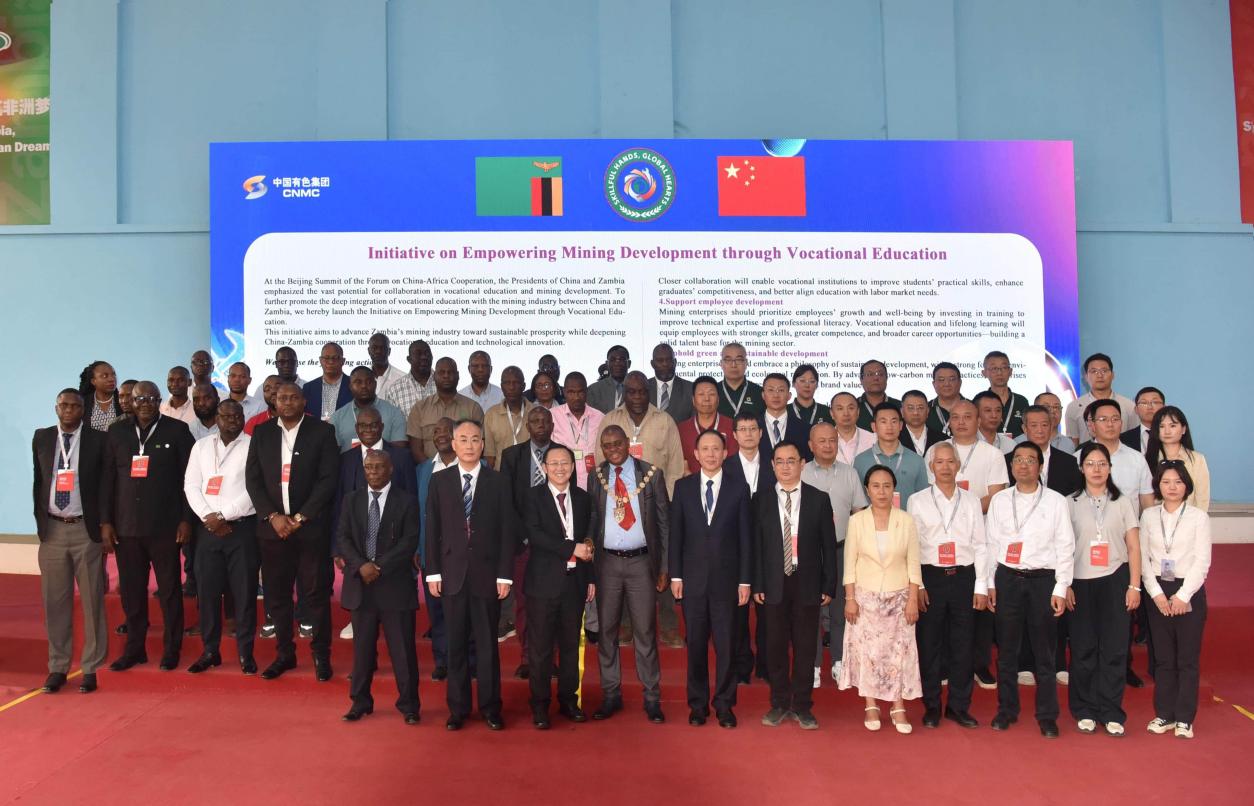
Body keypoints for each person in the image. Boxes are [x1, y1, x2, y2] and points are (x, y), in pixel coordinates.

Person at [244, 382, 341, 681]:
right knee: (277, 595)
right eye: (281, 397)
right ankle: (284, 654)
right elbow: (253, 479)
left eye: (293, 397)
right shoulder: (262, 433)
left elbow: (328, 479)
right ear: (274, 401)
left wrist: (300, 517)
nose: (287, 402)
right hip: (273, 531)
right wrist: (272, 516)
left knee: (316, 594)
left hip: (310, 530)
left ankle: (321, 655)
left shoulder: (322, 432)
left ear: (303, 401)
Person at [425, 420, 516, 731]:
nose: (469, 445)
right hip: (452, 575)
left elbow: (507, 531)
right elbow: (433, 528)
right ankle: (458, 708)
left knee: (488, 645)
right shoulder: (439, 481)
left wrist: (504, 575)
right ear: (453, 444)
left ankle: (491, 707)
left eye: (475, 439)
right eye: (462, 439)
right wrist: (433, 572)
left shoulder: (498, 482)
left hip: (487, 576)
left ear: (483, 444)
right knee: (456, 645)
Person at [100, 381, 195, 672]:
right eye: (140, 399)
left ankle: (171, 649)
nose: (145, 404)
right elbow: (107, 480)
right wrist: (106, 522)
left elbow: (190, 480)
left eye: (152, 399)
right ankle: (135, 649)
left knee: (169, 591)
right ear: (131, 401)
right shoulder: (117, 432)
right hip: (126, 527)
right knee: (132, 592)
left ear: (159, 401)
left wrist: (186, 519)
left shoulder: (177, 431)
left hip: (165, 527)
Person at [986, 443, 1076, 738]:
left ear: (1040, 466)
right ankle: (1006, 710)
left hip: (1043, 581)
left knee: (1045, 653)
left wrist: (1061, 586)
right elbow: (991, 544)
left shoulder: (1055, 501)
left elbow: (1065, 545)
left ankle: (1047, 715)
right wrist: (989, 583)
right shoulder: (1000, 500)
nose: (1023, 465)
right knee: (1007, 651)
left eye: (1030, 460)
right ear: (1011, 466)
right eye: (1018, 460)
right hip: (1008, 579)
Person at [595, 371, 687, 647]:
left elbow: (675, 466)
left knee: (660, 561)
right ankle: (625, 625)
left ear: (649, 392)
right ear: (624, 392)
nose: (636, 396)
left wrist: (667, 504)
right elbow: (601, 461)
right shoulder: (610, 420)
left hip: (657, 503)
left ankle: (668, 625)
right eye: (631, 391)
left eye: (642, 391)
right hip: (619, 503)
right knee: (624, 560)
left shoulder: (664, 420)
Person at [670, 429, 752, 728]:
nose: (711, 454)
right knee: (695, 646)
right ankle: (697, 705)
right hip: (692, 582)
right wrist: (676, 575)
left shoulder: (739, 488)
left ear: (725, 452)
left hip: (727, 583)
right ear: (695, 454)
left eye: (716, 448)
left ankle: (725, 705)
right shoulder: (682, 487)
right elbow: (676, 536)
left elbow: (746, 539)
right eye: (705, 449)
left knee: (726, 645)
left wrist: (745, 581)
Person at [588, 425, 670, 724]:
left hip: (641, 564)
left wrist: (664, 567)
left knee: (645, 632)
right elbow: (593, 517)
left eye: (617, 443)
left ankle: (652, 698)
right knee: (607, 632)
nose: (613, 449)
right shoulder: (596, 476)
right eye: (606, 445)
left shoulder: (651, 474)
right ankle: (611, 694)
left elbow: (664, 524)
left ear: (628, 443)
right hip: (607, 564)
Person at [753, 441, 837, 730]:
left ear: (802, 464)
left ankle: (802, 705)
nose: (786, 466)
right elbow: (756, 546)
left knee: (805, 647)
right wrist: (758, 582)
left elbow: (828, 546)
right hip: (773, 582)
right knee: (775, 646)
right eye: (780, 461)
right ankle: (779, 703)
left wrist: (828, 584)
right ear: (772, 465)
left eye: (791, 460)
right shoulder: (761, 499)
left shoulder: (819, 499)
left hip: (807, 581)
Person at [337, 449, 422, 725]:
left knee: (403, 651)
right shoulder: (351, 500)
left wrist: (379, 566)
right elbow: (343, 538)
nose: (373, 472)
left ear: (390, 469)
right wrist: (362, 565)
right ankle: (360, 702)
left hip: (395, 586)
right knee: (362, 652)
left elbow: (409, 541)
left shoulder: (406, 501)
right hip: (361, 586)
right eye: (368, 467)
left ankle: (409, 705)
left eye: (378, 467)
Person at [907, 442, 987, 729]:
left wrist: (981, 586)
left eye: (950, 461)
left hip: (964, 577)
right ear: (931, 467)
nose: (945, 467)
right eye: (939, 462)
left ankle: (958, 706)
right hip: (931, 578)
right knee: (929, 644)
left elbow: (981, 544)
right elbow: (912, 546)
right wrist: (917, 585)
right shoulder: (917, 500)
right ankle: (931, 706)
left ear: (958, 465)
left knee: (963, 644)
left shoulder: (972, 501)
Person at [33, 389, 108, 694]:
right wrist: (40, 523)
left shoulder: (98, 440)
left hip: (84, 530)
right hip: (52, 530)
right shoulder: (42, 437)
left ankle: (91, 668)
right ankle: (58, 666)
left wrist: (104, 525)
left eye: (74, 406)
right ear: (56, 408)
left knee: (92, 601)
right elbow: (39, 482)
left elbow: (105, 486)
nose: (68, 410)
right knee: (55, 602)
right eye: (63, 405)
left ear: (83, 410)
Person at [1065, 442, 1141, 736]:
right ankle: (1084, 709)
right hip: (1080, 582)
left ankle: (1111, 711)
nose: (1096, 469)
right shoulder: (1069, 502)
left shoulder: (1122, 502)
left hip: (1115, 579)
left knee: (1114, 648)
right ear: (1081, 468)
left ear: (1110, 468)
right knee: (1083, 648)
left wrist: (1134, 586)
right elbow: (1063, 548)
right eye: (1090, 464)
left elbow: (1134, 547)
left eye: (1102, 464)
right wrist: (1065, 584)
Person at [840, 465, 923, 734]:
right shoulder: (857, 521)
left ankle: (898, 706)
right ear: (867, 490)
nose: (882, 491)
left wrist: (913, 599)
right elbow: (850, 563)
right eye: (876, 486)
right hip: (865, 598)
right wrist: (850, 598)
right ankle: (871, 704)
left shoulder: (906, 520)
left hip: (899, 598)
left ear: (894, 489)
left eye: (887, 485)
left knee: (899, 653)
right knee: (869, 653)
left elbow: (913, 564)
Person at [182, 399, 259, 675]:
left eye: (237, 416)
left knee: (244, 593)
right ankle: (210, 651)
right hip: (208, 530)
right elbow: (191, 486)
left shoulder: (253, 445)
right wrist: (209, 517)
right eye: (226, 416)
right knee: (208, 593)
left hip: (242, 529)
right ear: (217, 418)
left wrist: (224, 515)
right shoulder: (201, 447)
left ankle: (245, 653)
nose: (232, 420)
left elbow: (254, 489)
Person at [523, 444, 595, 728]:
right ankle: (540, 706)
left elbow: (588, 539)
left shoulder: (583, 498)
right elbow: (535, 535)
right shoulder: (532, 497)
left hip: (575, 583)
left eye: (565, 463)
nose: (560, 468)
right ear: (544, 468)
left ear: (573, 466)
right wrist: (570, 548)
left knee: (569, 647)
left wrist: (590, 577)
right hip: (543, 584)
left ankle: (568, 701)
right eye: (553, 463)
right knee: (540, 649)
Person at [1140, 461, 1211, 739]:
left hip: (1188, 590)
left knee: (1187, 659)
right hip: (1157, 589)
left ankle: (1184, 718)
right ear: (1158, 485)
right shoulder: (1148, 516)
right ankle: (1164, 715)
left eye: (1178, 482)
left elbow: (1202, 562)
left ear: (1187, 486)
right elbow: (1143, 559)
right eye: (1166, 481)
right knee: (1164, 658)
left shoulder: (1198, 517)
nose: (1172, 487)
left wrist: (1182, 596)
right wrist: (1156, 594)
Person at [802, 422, 868, 686]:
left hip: (842, 549)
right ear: (811, 445)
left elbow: (860, 513)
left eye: (832, 440)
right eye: (822, 441)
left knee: (841, 610)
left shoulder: (850, 473)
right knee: (811, 612)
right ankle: (814, 664)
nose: (828, 445)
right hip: (810, 553)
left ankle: (840, 662)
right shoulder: (802, 473)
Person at [499, 406, 558, 678]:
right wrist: (523, 535)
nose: (540, 425)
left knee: (553, 603)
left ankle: (550, 658)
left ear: (552, 425)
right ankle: (526, 658)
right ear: (527, 426)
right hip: (522, 543)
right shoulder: (512, 456)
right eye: (535, 421)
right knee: (524, 603)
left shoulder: (562, 454)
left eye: (545, 421)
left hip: (555, 545)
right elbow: (505, 502)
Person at [723, 412, 776, 682]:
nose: (748, 434)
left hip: (769, 549)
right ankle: (742, 667)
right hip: (735, 549)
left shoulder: (774, 465)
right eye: (742, 429)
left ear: (761, 433)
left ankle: (766, 665)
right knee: (738, 612)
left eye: (753, 428)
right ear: (734, 435)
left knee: (768, 613)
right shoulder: (725, 467)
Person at [415, 417, 461, 681]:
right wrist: (418, 548)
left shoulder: (475, 466)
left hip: (463, 554)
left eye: (447, 430)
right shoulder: (423, 469)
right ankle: (442, 660)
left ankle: (467, 660)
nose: (441, 434)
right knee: (437, 610)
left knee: (463, 609)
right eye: (436, 430)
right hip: (431, 552)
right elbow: (417, 511)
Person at [1082, 399, 1155, 515]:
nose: (1110, 424)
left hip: (1130, 525)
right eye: (1103, 419)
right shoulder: (1078, 458)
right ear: (1092, 425)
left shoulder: (1137, 458)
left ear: (1121, 423)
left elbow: (1147, 501)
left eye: (1115, 419)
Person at [406, 357, 484, 464]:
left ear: (457, 376)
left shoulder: (473, 408)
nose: (446, 376)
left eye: (450, 372)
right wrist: (432, 469)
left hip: (464, 470)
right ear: (434, 377)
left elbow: (478, 446)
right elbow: (416, 450)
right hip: (429, 470)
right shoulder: (419, 408)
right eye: (442, 372)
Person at [854, 401, 928, 505]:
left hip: (907, 516)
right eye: (883, 422)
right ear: (874, 426)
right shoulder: (860, 461)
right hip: (871, 516)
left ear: (901, 425)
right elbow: (858, 502)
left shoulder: (916, 460)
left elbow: (924, 499)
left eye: (894, 421)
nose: (889, 427)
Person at [1064, 353, 1138, 447]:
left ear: (1112, 375)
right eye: (1094, 371)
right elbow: (1073, 443)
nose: (1099, 375)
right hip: (1087, 455)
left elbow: (1133, 438)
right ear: (1086, 377)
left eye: (1104, 371)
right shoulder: (1074, 407)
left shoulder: (1129, 406)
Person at [1145, 406, 1210, 511]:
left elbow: (1202, 500)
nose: (1167, 431)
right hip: (1156, 518)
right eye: (1161, 426)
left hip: (1189, 519)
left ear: (1183, 429)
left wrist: (1196, 520)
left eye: (1172, 426)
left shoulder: (1197, 459)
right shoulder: (1146, 460)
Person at [330, 366, 408, 452]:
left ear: (375, 384)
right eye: (358, 382)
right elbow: (333, 453)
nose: (364, 386)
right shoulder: (337, 417)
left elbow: (399, 451)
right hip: (349, 460)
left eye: (369, 382)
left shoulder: (394, 413)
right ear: (350, 386)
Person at [549, 371, 603, 491]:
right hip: (562, 487)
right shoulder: (552, 416)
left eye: (580, 392)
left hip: (595, 486)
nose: (576, 397)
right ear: (564, 392)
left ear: (586, 392)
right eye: (571, 392)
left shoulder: (600, 418)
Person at [1014, 405, 1083, 496]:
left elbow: (1075, 495)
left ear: (1051, 427)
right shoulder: (1010, 460)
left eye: (1044, 425)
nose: (1040, 430)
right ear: (1025, 429)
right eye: (1034, 425)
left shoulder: (1068, 461)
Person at [677, 376, 736, 473]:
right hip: (691, 481)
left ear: (718, 399)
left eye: (711, 394)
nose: (706, 399)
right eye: (701, 394)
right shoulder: (681, 430)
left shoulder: (733, 427)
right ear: (693, 400)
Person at [482, 366, 532, 467]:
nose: (511, 387)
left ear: (523, 386)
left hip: (530, 473)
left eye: (516, 382)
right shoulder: (491, 414)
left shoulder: (536, 412)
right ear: (501, 386)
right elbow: (490, 456)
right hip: (501, 474)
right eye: (507, 383)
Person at [761, 373, 810, 461]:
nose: (776, 395)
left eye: (781, 390)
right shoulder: (753, 426)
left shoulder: (805, 429)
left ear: (789, 396)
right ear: (763, 395)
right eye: (771, 390)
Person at [982, 351, 1030, 437]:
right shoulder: (980, 401)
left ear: (1010, 371)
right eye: (994, 368)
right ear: (984, 373)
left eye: (1004, 368)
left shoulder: (1021, 401)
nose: (999, 373)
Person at [303, 342, 352, 421]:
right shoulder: (308, 388)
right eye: (326, 358)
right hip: (316, 428)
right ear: (320, 360)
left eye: (335, 358)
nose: (331, 361)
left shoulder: (353, 385)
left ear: (343, 361)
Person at [388, 339, 439, 414]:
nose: (424, 357)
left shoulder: (444, 383)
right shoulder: (395, 390)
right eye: (418, 354)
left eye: (427, 353)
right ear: (409, 359)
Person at [648, 342, 694, 422]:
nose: (665, 364)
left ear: (675, 362)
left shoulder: (690, 389)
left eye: (668, 360)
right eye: (660, 360)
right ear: (652, 364)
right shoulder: (643, 388)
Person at [716, 342, 763, 418]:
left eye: (739, 360)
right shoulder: (714, 391)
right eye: (728, 360)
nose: (733, 365)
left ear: (746, 363)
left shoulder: (759, 393)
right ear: (721, 364)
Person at [366, 332, 410, 405]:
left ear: (389, 351)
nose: (378, 351)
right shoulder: (362, 379)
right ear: (369, 351)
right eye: (374, 348)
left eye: (382, 348)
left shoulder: (403, 379)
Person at [831, 392, 875, 465]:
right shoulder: (823, 441)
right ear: (832, 413)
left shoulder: (873, 439)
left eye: (851, 408)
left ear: (858, 412)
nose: (846, 413)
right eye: (840, 409)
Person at [79, 361, 124, 431]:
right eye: (105, 376)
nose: (111, 379)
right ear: (93, 381)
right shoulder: (83, 403)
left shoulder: (123, 401)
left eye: (113, 375)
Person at [587, 345, 632, 413]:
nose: (617, 363)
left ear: (629, 363)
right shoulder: (593, 390)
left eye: (621, 359)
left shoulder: (639, 388)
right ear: (607, 364)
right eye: (613, 360)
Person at [855, 360, 898, 431]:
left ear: (886, 378)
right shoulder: (853, 408)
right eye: (870, 374)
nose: (875, 378)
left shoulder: (900, 407)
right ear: (861, 380)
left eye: (880, 374)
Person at [900, 389, 945, 457]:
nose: (915, 413)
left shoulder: (942, 439)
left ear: (927, 411)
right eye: (910, 408)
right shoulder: (894, 438)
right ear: (902, 412)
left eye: (920, 408)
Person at [1122, 386, 1165, 455]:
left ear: (1164, 408)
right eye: (1144, 403)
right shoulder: (1123, 439)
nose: (1150, 407)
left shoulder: (1174, 435)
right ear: (1136, 409)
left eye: (1155, 402)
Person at [790, 364, 833, 432]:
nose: (807, 385)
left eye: (812, 381)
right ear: (793, 384)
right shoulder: (785, 411)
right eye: (802, 381)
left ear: (817, 385)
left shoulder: (826, 412)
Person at [926, 363, 964, 435]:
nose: (947, 384)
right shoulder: (925, 410)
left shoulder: (973, 407)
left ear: (960, 382)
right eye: (941, 380)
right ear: (934, 384)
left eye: (952, 379)